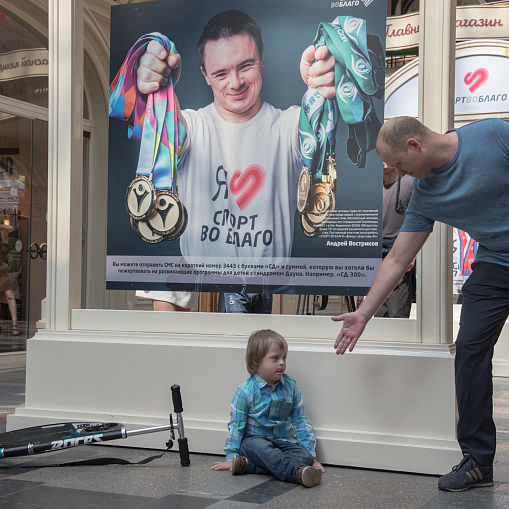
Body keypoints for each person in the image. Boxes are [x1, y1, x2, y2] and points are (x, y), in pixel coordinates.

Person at [332, 116, 509, 492]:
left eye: (398, 163)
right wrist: (364, 314)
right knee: (470, 350)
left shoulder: (493, 135)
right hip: (496, 264)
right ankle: (478, 461)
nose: (397, 173)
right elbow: (397, 258)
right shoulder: (425, 193)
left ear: (415, 145)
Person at [134, 10, 335, 262]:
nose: (236, 82)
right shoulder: (193, 126)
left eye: (245, 65)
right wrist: (154, 88)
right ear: (205, 75)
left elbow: (315, 126)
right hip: (203, 287)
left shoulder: (288, 124)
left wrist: (318, 89)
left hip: (270, 287)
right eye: (220, 73)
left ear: (261, 58)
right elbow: (162, 128)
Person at [211, 329, 325, 487]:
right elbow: (236, 427)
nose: (282, 363)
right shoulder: (246, 391)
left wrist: (312, 457)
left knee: (304, 456)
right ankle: (298, 473)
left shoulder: (290, 386)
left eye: (284, 357)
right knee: (264, 451)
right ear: (256, 360)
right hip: (254, 442)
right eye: (275, 358)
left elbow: (300, 420)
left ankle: (248, 466)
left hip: (283, 442)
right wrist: (231, 457)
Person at [374, 162, 414, 318]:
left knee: (397, 311)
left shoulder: (409, 182)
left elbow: (419, 220)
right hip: (374, 252)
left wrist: (412, 253)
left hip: (398, 250)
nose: (382, 162)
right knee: (378, 312)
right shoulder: (371, 185)